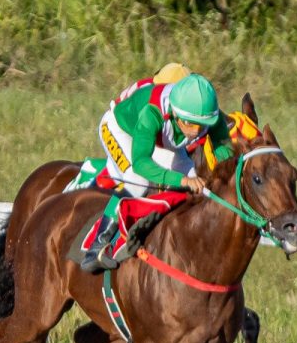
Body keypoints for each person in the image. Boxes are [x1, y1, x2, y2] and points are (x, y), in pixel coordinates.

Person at [79, 71, 236, 272]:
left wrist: (224, 179)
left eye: (203, 126)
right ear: (175, 113)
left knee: (196, 188)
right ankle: (97, 247)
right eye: (190, 123)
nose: (197, 132)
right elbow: (141, 162)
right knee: (138, 180)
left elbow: (225, 155)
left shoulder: (207, 115)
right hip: (120, 129)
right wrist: (181, 180)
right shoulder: (152, 112)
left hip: (161, 140)